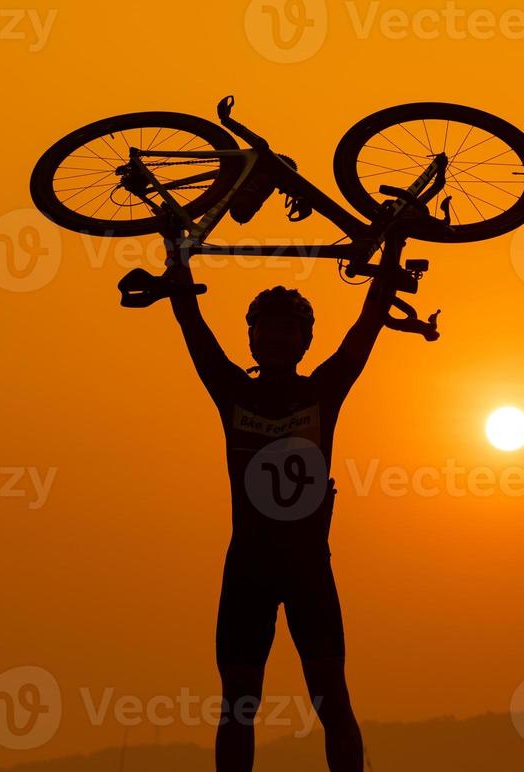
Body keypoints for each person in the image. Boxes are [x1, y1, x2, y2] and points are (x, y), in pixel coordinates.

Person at [163, 234, 405, 772]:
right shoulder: (232, 390)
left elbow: (365, 329)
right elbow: (193, 329)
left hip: (307, 570)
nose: (272, 338)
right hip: (248, 566)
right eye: (262, 329)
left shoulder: (322, 391)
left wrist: (391, 256)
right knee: (239, 704)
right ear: (250, 338)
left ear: (303, 341)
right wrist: (175, 261)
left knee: (330, 698)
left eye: (284, 330)